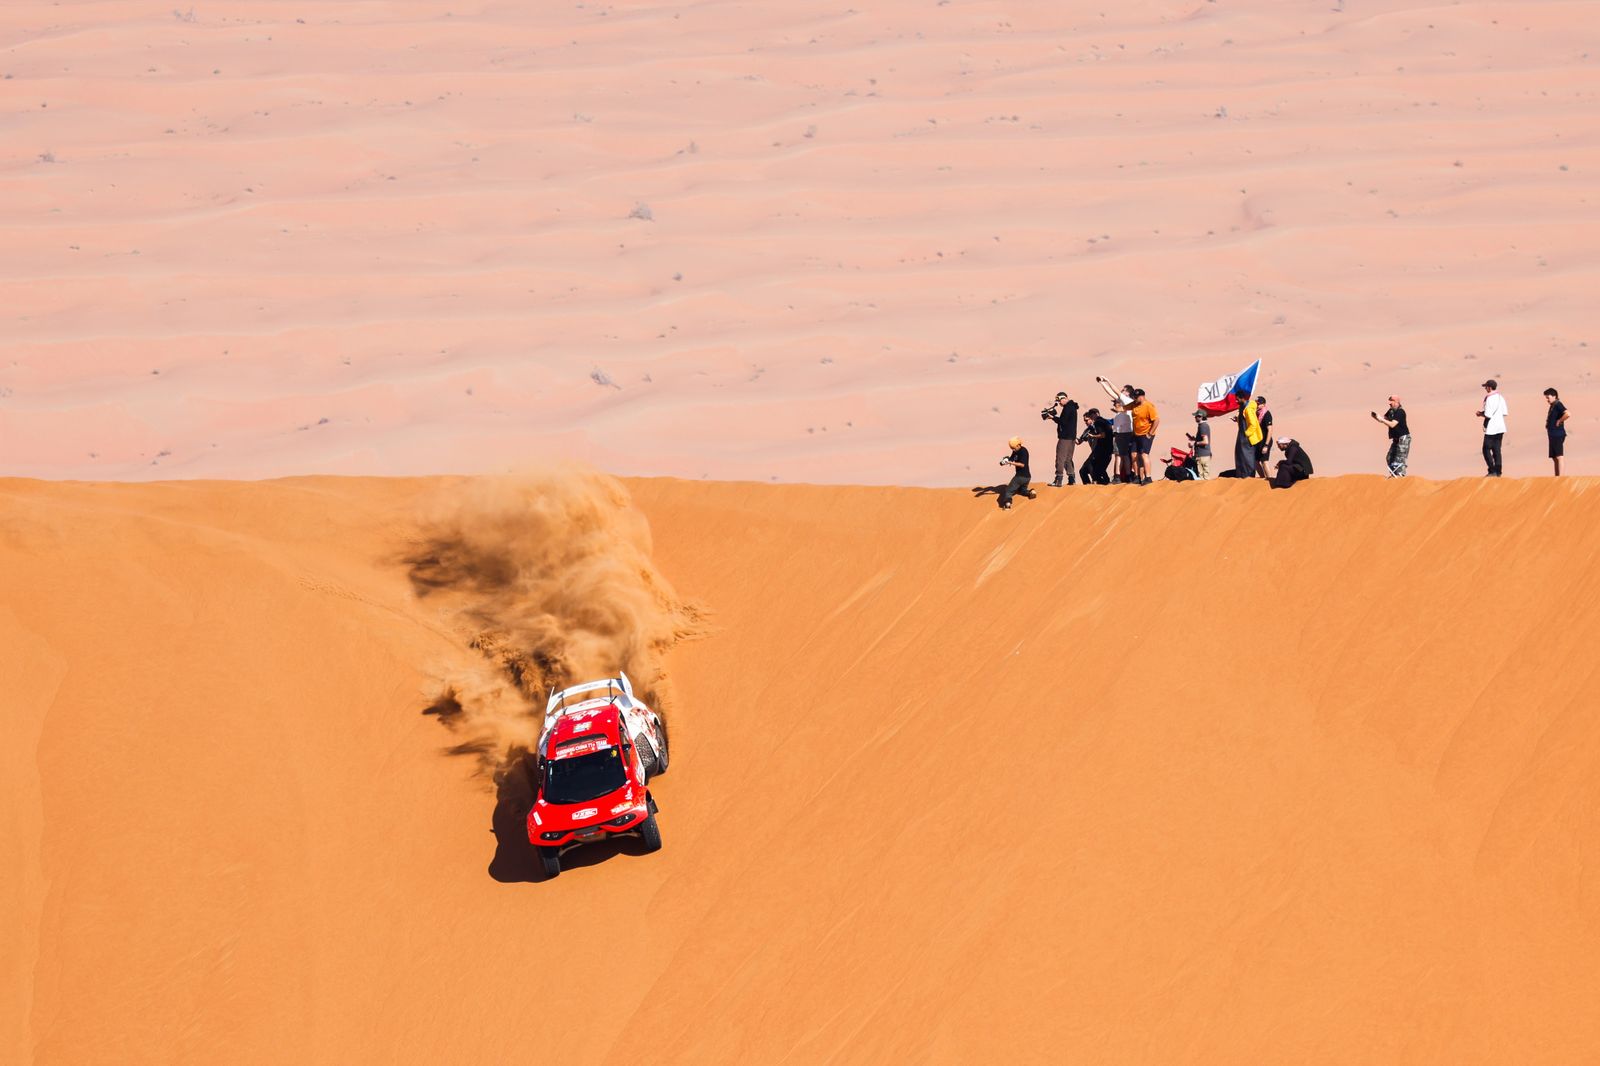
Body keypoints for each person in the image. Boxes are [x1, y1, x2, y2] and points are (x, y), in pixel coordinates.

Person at [1043, 391, 1080, 486]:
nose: (1059, 403)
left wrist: (1053, 417)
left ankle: (1058, 479)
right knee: (1068, 459)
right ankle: (1071, 479)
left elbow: (1063, 422)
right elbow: (1066, 421)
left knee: (1060, 458)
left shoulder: (1068, 407)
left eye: (1059, 400)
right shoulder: (1072, 407)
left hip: (1065, 437)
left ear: (1065, 398)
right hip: (1071, 437)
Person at [1371, 395, 1410, 477]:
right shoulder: (1391, 411)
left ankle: (1400, 476)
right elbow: (1384, 419)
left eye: (1391, 402)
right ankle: (1394, 475)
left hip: (1403, 438)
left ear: (1396, 402)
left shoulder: (1400, 412)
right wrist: (1376, 417)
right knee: (1389, 458)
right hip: (1396, 439)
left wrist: (1382, 420)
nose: (1389, 404)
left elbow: (1392, 424)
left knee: (1399, 459)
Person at [1476, 379, 1508, 476]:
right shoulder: (1501, 397)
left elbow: (1488, 415)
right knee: (1497, 450)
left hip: (1492, 428)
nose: (1485, 388)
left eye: (1486, 387)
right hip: (1500, 427)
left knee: (1486, 449)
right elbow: (1505, 412)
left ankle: (1492, 470)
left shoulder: (1489, 398)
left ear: (1489, 388)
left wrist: (1480, 414)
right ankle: (1498, 472)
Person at [1129, 388, 1160, 485]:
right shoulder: (1134, 404)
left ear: (1142, 396)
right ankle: (1137, 477)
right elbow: (1123, 408)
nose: (1134, 398)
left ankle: (1148, 477)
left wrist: (1150, 433)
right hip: (1136, 434)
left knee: (1144, 455)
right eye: (1134, 397)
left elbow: (1156, 420)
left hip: (1146, 434)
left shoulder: (1149, 406)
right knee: (1134, 454)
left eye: (1136, 397)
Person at [997, 436, 1036, 509]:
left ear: (1018, 445)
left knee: (1008, 491)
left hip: (1020, 476)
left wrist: (1010, 463)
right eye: (1011, 448)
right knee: (1022, 491)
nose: (1013, 450)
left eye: (1014, 448)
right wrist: (1005, 461)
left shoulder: (1023, 451)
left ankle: (1007, 504)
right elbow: (1011, 458)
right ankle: (1031, 492)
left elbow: (1022, 465)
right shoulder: (1015, 451)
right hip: (1026, 478)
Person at [1078, 408, 1114, 485]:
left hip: (1103, 453)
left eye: (1087, 420)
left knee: (1094, 469)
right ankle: (1090, 487)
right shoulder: (1087, 430)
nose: (1086, 422)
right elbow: (1079, 441)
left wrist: (1094, 435)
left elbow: (1104, 434)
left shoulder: (1099, 424)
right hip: (1096, 454)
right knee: (1083, 471)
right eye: (1084, 421)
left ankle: (1100, 484)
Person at [1232, 393, 1261, 477]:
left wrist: (1246, 435)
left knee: (1247, 458)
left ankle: (1248, 477)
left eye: (1237, 399)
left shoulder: (1248, 409)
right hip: (1242, 436)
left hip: (1246, 438)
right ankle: (1242, 476)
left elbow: (1253, 424)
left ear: (1243, 398)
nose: (1236, 401)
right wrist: (1237, 419)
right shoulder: (1242, 407)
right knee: (1240, 456)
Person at [1545, 388, 1570, 476]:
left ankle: (1561, 478)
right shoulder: (1553, 406)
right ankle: (1556, 477)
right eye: (1546, 398)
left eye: (1548, 397)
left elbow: (1567, 413)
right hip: (1552, 434)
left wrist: (1560, 420)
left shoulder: (1558, 404)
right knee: (1555, 457)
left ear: (1554, 396)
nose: (1547, 400)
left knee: (1559, 456)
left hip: (1557, 434)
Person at [1110, 401, 1135, 483]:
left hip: (1120, 435)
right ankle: (1128, 476)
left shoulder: (1122, 414)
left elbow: (1118, 427)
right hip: (1127, 434)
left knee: (1118, 456)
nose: (1114, 405)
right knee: (1125, 456)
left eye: (1115, 403)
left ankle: (1117, 476)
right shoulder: (1127, 413)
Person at [1185, 409, 1213, 479]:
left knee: (1203, 478)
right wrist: (1195, 439)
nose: (1195, 418)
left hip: (1202, 456)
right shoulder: (1204, 425)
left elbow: (1205, 441)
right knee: (1205, 476)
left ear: (1200, 417)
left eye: (1196, 416)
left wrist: (1195, 443)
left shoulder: (1202, 426)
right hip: (1204, 455)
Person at [1252, 396, 1274, 479]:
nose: (1257, 405)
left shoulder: (1266, 414)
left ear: (1263, 404)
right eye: (1256, 403)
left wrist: (1266, 445)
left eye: (1258, 404)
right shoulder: (1255, 414)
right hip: (1258, 441)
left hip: (1265, 441)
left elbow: (1270, 430)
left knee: (1264, 461)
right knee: (1255, 461)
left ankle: (1270, 480)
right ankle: (1262, 480)